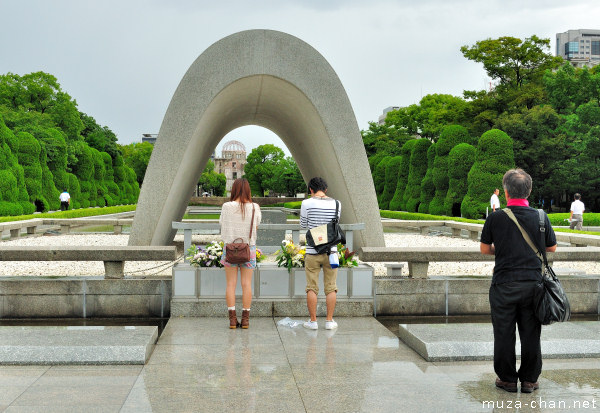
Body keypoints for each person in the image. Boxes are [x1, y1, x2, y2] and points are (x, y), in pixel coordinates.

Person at [480, 169, 557, 394]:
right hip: (533, 284)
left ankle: (507, 379)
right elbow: (551, 247)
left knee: (503, 333)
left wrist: (504, 247)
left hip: (504, 284)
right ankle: (530, 381)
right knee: (531, 332)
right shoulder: (541, 216)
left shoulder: (495, 217)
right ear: (529, 190)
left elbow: (485, 249)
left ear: (505, 192)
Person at [219, 178, 261, 329]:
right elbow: (256, 226)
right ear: (248, 190)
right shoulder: (255, 207)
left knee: (230, 284)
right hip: (248, 249)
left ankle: (232, 320)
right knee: (246, 284)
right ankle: (245, 321)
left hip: (230, 248)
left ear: (234, 189)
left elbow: (221, 224)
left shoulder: (226, 206)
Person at [300, 177, 340, 331]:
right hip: (332, 252)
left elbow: (303, 224)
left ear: (311, 190)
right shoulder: (337, 203)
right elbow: (335, 224)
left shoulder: (306, 203)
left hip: (313, 250)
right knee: (331, 287)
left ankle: (313, 321)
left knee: (311, 287)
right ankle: (329, 321)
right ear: (326, 189)